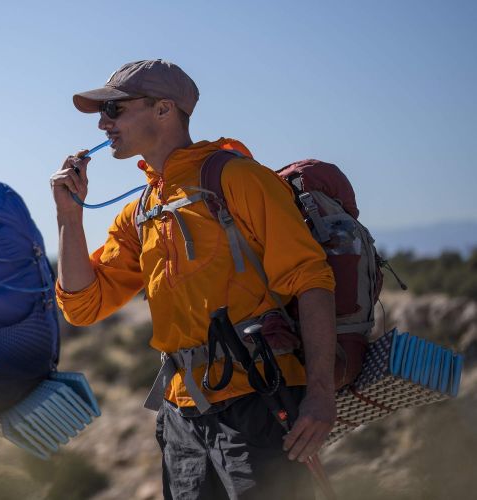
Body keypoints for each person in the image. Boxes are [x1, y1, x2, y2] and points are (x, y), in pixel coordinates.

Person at [51, 59, 337, 499]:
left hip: (259, 400)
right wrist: (69, 216)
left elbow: (311, 279)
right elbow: (82, 306)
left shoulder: (237, 178)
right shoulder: (141, 210)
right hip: (181, 415)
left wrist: (320, 395)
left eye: (115, 110)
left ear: (163, 109)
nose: (104, 124)